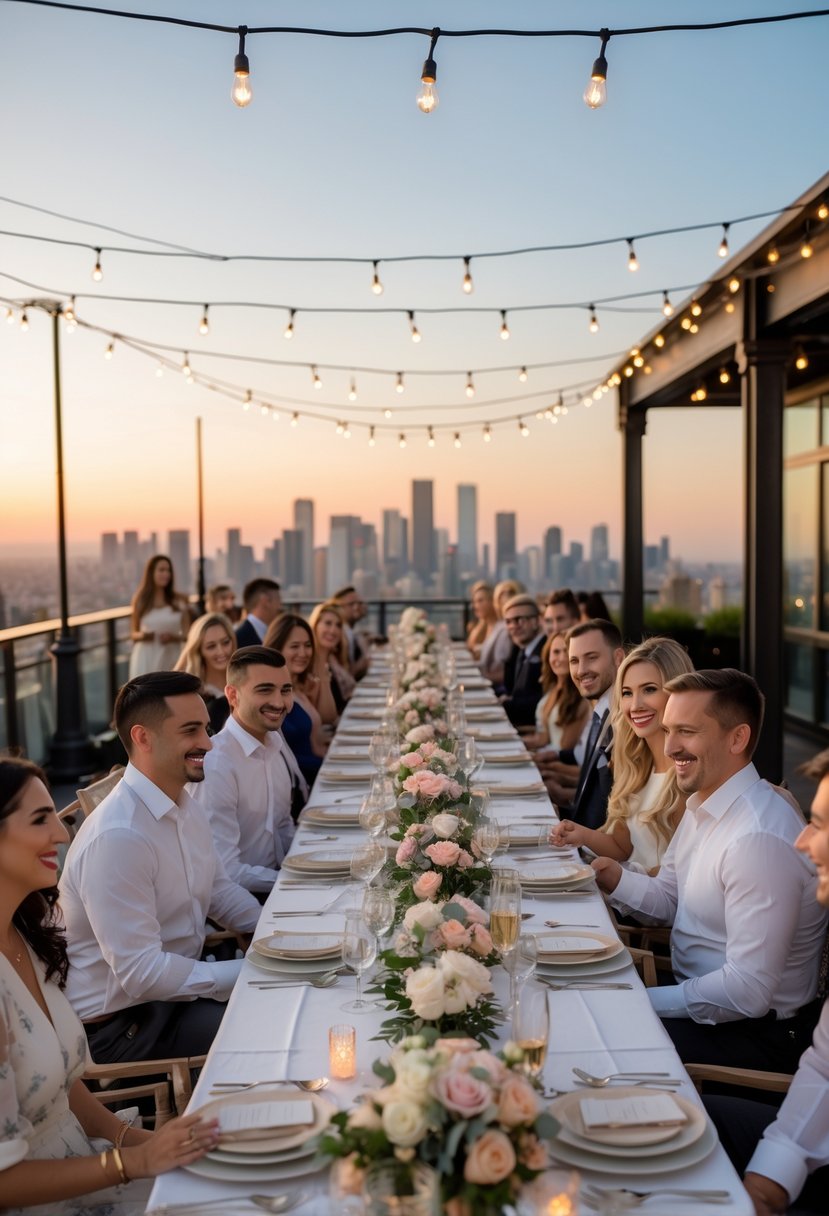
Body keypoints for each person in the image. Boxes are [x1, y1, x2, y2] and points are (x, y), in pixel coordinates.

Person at [0, 757, 221, 1215]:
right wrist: (131, 1162)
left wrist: (145, 1140)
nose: (62, 835)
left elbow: (63, 1086)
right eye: (41, 820)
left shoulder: (25, 934)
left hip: (89, 1162)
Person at [593, 668, 827, 1074]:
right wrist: (610, 876)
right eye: (668, 731)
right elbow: (669, 898)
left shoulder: (756, 838)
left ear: (737, 738)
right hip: (703, 1007)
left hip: (756, 1035)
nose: (671, 748)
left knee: (598, 1045)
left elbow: (747, 992)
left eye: (687, 732)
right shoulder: (704, 802)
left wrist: (645, 999)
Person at [60, 671, 261, 1063]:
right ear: (142, 737)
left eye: (205, 727)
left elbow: (218, 888)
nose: (207, 742)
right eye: (190, 731)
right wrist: (249, 972)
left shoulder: (184, 803)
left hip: (174, 995)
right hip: (121, 1028)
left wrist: (274, 936)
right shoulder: (119, 837)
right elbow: (141, 974)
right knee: (268, 1023)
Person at [706, 748, 829, 1216]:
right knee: (681, 1116)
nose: (801, 842)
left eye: (818, 825)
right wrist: (768, 1180)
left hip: (768, 1032)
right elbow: (822, 1066)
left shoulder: (758, 831)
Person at [550, 637, 692, 872]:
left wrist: (618, 882)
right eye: (627, 693)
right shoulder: (635, 766)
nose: (635, 705)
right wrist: (580, 834)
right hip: (627, 896)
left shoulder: (688, 774)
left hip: (653, 904)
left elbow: (679, 875)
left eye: (649, 689)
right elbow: (621, 845)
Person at [191, 647, 305, 896]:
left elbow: (283, 826)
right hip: (247, 900)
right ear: (233, 695)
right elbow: (227, 871)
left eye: (285, 690)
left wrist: (315, 867)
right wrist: (299, 882)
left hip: (279, 884)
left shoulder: (273, 743)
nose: (279, 702)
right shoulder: (217, 765)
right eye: (265, 690)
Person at [536, 618, 625, 828]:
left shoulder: (623, 722)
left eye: (591, 658)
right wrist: (561, 810)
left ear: (618, 658)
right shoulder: (601, 712)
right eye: (574, 661)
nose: (581, 670)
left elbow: (611, 817)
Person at [264, 613, 333, 786]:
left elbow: (328, 720)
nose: (303, 653)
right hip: (303, 783)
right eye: (294, 646)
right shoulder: (273, 697)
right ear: (277, 649)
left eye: (307, 645)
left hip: (316, 774)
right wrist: (329, 767)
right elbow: (289, 757)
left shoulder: (299, 687)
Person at [523, 630, 590, 754]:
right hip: (546, 755)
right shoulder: (553, 687)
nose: (562, 658)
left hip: (561, 764)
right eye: (556, 652)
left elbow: (565, 748)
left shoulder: (581, 696)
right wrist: (520, 741)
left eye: (567, 652)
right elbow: (543, 738)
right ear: (548, 656)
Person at [127, 555, 188, 679]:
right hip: (146, 657)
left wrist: (173, 638)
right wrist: (144, 635)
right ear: (151, 573)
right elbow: (133, 633)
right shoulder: (140, 600)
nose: (166, 574)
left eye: (168, 570)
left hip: (172, 656)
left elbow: (188, 636)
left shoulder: (180, 600)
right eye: (161, 570)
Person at [174, 611, 236, 732]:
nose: (221, 651)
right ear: (199, 651)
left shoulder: (245, 681)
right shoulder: (194, 694)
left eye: (225, 642)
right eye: (211, 646)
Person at [500, 593, 546, 728]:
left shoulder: (546, 651)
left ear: (536, 621)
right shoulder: (521, 649)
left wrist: (506, 704)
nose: (514, 626)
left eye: (519, 620)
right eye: (508, 622)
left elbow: (541, 700)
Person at [309, 600, 356, 714]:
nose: (333, 630)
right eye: (328, 623)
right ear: (315, 625)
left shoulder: (332, 660)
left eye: (338, 625)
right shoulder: (308, 663)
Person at [479, 578, 524, 689]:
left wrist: (483, 676)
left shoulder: (512, 631)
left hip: (499, 688)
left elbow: (508, 672)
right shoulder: (500, 626)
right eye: (501, 603)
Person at [332, 586, 371, 680]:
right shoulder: (337, 636)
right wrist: (365, 658)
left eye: (359, 603)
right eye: (351, 604)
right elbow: (346, 676)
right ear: (338, 608)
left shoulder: (350, 631)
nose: (357, 607)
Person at [234, 578, 282, 647]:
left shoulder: (270, 633)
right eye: (278, 600)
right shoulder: (239, 639)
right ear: (266, 601)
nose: (280, 606)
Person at [465, 581, 498, 661]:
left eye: (480, 601)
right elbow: (470, 648)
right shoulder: (482, 625)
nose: (475, 606)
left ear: (492, 601)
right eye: (474, 602)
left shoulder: (500, 628)